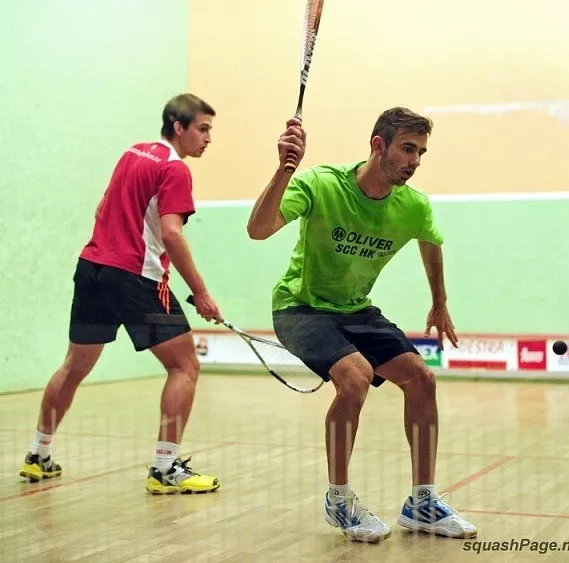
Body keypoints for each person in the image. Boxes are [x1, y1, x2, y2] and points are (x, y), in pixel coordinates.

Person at [246, 107, 477, 542]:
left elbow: (431, 243)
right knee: (355, 377)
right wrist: (283, 170)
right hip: (300, 308)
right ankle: (339, 498)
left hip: (356, 310)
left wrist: (439, 301)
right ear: (378, 145)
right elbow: (258, 229)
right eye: (407, 149)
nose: (414, 161)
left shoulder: (413, 205)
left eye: (421, 153)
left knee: (422, 380)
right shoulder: (321, 184)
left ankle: (422, 502)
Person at [19, 93, 223, 495]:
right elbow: (171, 233)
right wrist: (200, 292)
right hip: (136, 279)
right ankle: (165, 469)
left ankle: (37, 455)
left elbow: (101, 208)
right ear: (177, 127)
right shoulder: (175, 169)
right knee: (185, 365)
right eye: (202, 129)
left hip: (92, 269)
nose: (208, 139)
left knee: (74, 367)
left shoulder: (132, 153)